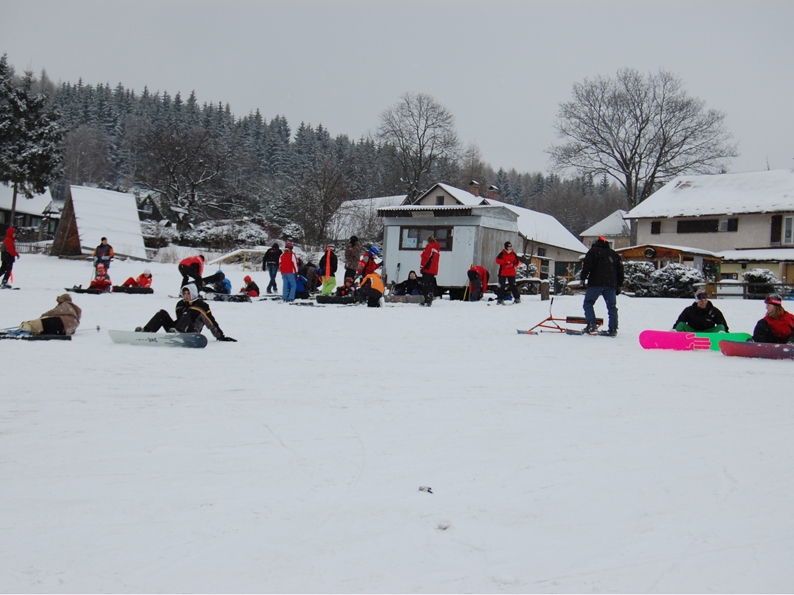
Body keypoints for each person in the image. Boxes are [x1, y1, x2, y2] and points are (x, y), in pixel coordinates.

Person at [137, 283, 236, 341]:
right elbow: (179, 320)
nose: (186, 295)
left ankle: (178, 332)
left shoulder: (201, 305)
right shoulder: (180, 304)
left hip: (191, 333)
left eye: (188, 293)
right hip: (176, 330)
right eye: (184, 293)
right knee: (162, 313)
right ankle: (147, 332)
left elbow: (211, 323)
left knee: (187, 313)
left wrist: (221, 337)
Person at [580, 236, 624, 336]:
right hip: (611, 284)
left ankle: (592, 325)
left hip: (595, 282)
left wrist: (583, 278)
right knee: (612, 306)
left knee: (588, 303)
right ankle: (613, 329)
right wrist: (619, 285)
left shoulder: (593, 252)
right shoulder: (614, 254)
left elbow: (587, 266)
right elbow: (620, 270)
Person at [419, 235, 441, 306]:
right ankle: (430, 297)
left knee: (425, 285)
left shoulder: (430, 247)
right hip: (433, 269)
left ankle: (426, 299)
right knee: (430, 284)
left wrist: (421, 266)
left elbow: (425, 257)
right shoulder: (436, 248)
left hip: (428, 269)